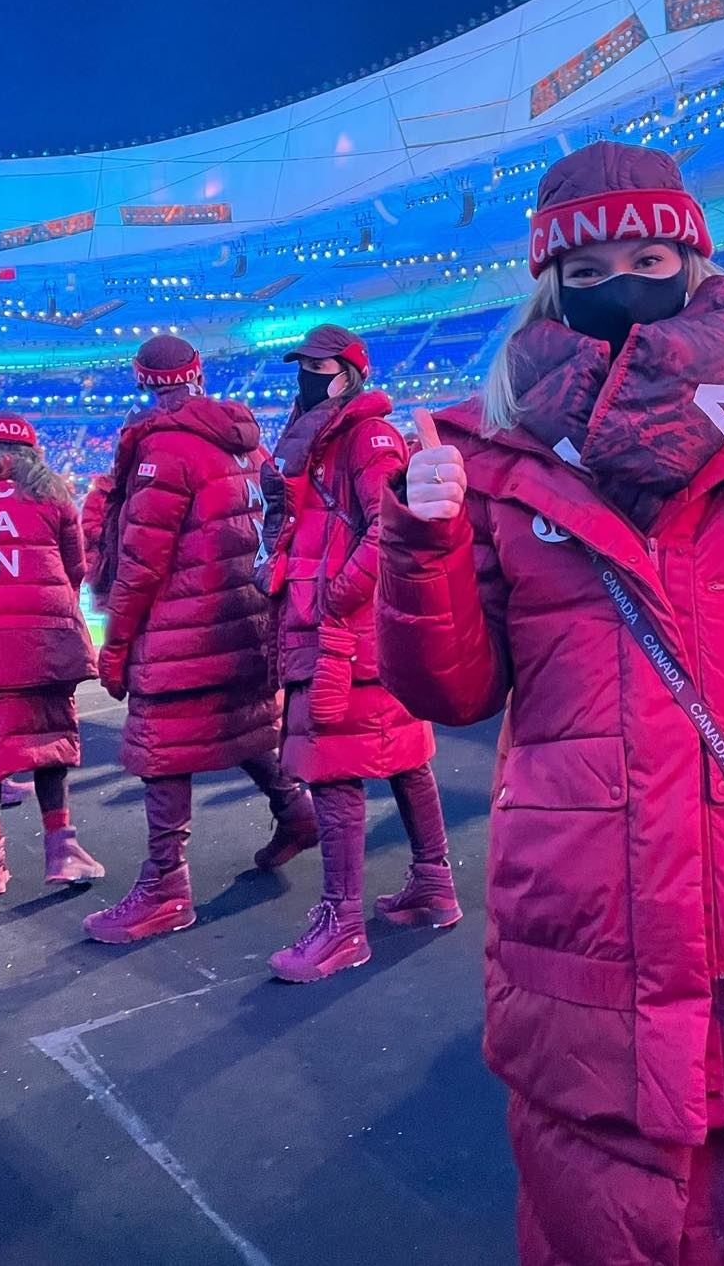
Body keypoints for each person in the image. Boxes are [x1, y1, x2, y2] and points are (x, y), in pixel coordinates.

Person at [375, 144, 724, 1265]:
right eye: (592, 265)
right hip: (582, 935)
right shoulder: (491, 454)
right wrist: (421, 539)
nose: (625, 280)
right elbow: (454, 688)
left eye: (651, 252)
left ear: (694, 259)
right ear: (550, 283)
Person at [82, 336, 316, 944]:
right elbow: (280, 505)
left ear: (143, 383)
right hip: (240, 613)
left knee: (160, 743)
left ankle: (165, 886)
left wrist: (117, 642)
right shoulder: (242, 435)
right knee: (240, 722)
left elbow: (140, 561)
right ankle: (295, 811)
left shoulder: (163, 447)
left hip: (183, 623)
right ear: (197, 376)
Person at [257, 325, 461, 984]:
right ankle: (432, 886)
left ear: (348, 372)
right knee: (400, 755)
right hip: (357, 631)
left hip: (345, 634)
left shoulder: (365, 437)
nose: (306, 377)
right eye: (302, 366)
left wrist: (331, 600)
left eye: (318, 366)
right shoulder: (327, 436)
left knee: (333, 765)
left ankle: (341, 924)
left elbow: (386, 526)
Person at [0, 415, 104, 897]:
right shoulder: (54, 495)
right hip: (44, 637)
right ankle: (61, 849)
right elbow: (75, 569)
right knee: (51, 738)